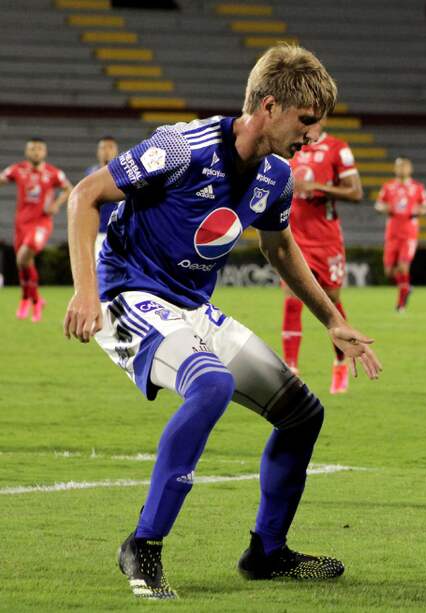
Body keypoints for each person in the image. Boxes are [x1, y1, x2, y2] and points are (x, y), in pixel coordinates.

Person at [63, 44, 381, 600]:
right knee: (211, 384)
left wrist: (332, 319)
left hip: (191, 307)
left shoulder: (277, 176)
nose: (313, 136)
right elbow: (85, 195)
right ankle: (143, 545)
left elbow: (280, 250)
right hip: (127, 295)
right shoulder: (182, 147)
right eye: (306, 121)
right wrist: (85, 292)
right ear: (269, 106)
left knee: (302, 414)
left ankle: (267, 552)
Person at [285, 119, 363, 393]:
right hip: (293, 237)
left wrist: (318, 187)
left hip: (326, 240)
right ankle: (291, 369)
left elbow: (356, 192)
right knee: (292, 300)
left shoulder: (337, 148)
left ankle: (340, 362)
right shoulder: (290, 145)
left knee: (330, 300)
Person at [1, 138, 72, 322]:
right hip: (21, 224)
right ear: (27, 152)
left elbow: (68, 189)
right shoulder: (18, 169)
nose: (36, 152)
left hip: (41, 223)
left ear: (45, 152)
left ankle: (31, 300)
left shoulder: (53, 173)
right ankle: (31, 300)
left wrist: (56, 204)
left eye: (39, 149)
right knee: (24, 264)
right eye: (32, 149)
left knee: (22, 258)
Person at [374, 157, 426, 312]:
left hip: (409, 234)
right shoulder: (388, 186)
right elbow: (378, 205)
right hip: (392, 233)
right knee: (389, 272)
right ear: (395, 168)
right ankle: (406, 287)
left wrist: (417, 210)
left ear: (410, 169)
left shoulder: (418, 187)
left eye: (405, 166)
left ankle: (401, 304)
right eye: (399, 166)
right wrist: (386, 208)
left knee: (403, 267)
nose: (402, 169)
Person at [84, 136, 121, 260]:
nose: (106, 151)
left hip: (118, 231)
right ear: (98, 152)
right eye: (103, 148)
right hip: (97, 232)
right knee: (98, 266)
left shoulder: (124, 173)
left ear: (116, 151)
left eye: (110, 147)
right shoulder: (90, 173)